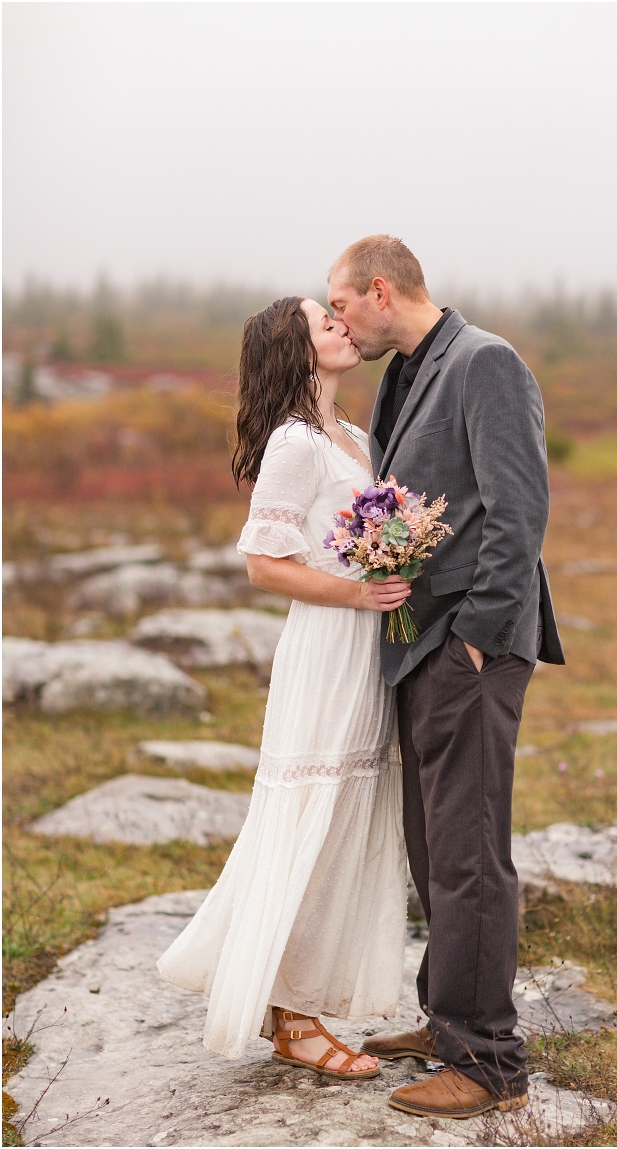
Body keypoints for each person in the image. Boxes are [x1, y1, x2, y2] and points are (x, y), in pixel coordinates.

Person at [327, 236, 565, 1118]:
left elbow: (520, 507)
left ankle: (491, 1062)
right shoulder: (407, 371)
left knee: (468, 852)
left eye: (343, 304)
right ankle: (448, 1020)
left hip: (470, 645)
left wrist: (474, 635)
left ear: (380, 290)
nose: (340, 322)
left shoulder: (485, 362)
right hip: (420, 643)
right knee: (434, 844)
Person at [157, 296, 410, 1078]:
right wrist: (360, 593)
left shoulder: (354, 436)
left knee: (346, 819)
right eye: (319, 321)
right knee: (316, 815)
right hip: (328, 646)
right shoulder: (296, 442)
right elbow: (265, 564)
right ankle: (293, 1019)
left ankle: (290, 996)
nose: (338, 324)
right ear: (293, 351)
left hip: (367, 646)